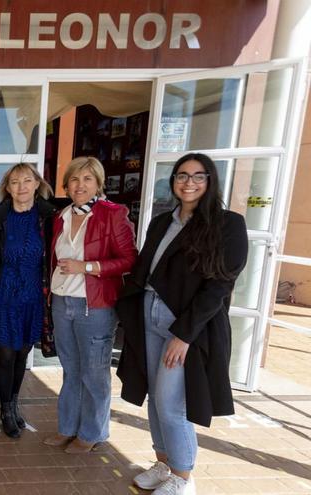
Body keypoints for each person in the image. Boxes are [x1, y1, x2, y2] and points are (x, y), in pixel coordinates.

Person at [117, 153, 248, 495]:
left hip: (186, 325)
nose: (189, 182)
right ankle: (163, 464)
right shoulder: (162, 221)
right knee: (155, 400)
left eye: (198, 176)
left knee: (172, 403)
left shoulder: (227, 224)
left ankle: (183, 477)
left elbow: (220, 285)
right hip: (150, 314)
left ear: (210, 180)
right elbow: (147, 267)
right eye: (182, 175)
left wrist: (184, 335)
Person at [43, 156, 137, 453]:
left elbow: (130, 260)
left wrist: (87, 266)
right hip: (62, 302)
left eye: (87, 179)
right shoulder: (61, 217)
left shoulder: (113, 214)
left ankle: (92, 432)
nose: (79, 185)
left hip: (94, 306)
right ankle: (68, 427)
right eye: (74, 179)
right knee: (71, 370)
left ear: (98, 183)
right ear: (67, 185)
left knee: (94, 373)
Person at [0, 163, 56, 438]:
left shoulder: (49, 217)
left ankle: (14, 403)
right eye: (15, 182)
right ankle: (5, 409)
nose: (21, 187)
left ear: (37, 184)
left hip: (33, 295)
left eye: (27, 181)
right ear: (7, 188)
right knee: (5, 353)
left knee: (23, 353)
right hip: (4, 294)